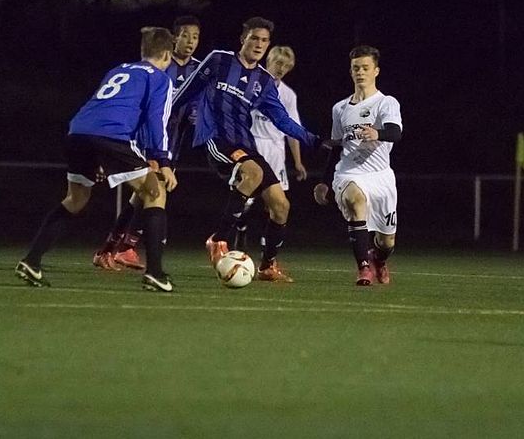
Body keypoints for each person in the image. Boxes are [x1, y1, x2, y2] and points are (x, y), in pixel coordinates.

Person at [14, 26, 179, 292]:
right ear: (168, 55)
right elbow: (156, 120)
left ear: (143, 50)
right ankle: (156, 273)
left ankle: (31, 261)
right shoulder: (160, 78)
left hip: (78, 131)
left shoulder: (118, 70)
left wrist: (100, 158)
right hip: (111, 135)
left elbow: (105, 107)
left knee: (76, 199)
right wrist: (164, 161)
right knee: (155, 192)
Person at [171, 17, 321, 282]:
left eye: (264, 41)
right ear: (243, 39)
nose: (259, 45)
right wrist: (163, 121)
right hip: (218, 140)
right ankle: (218, 240)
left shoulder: (264, 80)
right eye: (254, 38)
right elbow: (185, 92)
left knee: (281, 206)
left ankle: (267, 266)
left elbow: (282, 120)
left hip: (245, 145)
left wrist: (314, 140)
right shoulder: (219, 60)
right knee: (253, 173)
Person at [92, 16, 202, 271]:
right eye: (185, 35)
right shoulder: (158, 68)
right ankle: (128, 248)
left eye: (196, 37)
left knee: (141, 197)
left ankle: (110, 248)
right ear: (174, 39)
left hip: (173, 141)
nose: (190, 41)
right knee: (154, 192)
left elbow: (198, 103)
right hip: (149, 139)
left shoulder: (199, 70)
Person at [313, 45, 402, 286]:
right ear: (351, 71)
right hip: (349, 173)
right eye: (356, 68)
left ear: (376, 71)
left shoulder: (386, 103)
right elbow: (336, 145)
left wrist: (377, 133)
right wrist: (323, 181)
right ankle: (364, 267)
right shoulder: (340, 108)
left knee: (387, 242)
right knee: (355, 201)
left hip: (380, 176)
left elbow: (395, 132)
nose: (360, 72)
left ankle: (378, 259)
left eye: (365, 68)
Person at [233, 45, 308, 250]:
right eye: (278, 63)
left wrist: (298, 161)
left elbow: (292, 129)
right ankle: (240, 230)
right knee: (245, 197)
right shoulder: (251, 83)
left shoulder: (288, 95)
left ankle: (267, 247)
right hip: (252, 145)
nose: (281, 69)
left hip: (275, 150)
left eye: (286, 66)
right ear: (269, 61)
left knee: (275, 203)